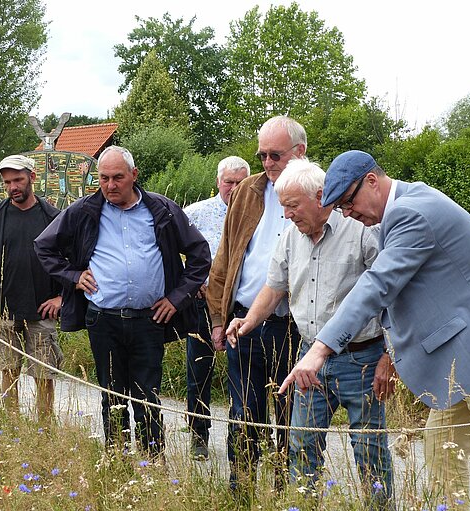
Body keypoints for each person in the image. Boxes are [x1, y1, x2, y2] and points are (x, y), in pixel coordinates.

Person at [280, 150, 470, 505]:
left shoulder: (411, 212)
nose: (347, 214)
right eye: (340, 207)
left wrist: (319, 349)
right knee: (441, 457)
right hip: (458, 351)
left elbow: (378, 285)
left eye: (347, 202)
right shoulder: (399, 208)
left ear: (371, 181)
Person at [226, 158, 393, 505]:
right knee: (301, 444)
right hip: (308, 362)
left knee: (369, 450)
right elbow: (274, 289)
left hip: (362, 360)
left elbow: (393, 294)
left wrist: (390, 356)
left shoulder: (363, 230)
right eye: (283, 206)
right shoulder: (289, 238)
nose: (286, 214)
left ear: (320, 197)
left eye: (291, 205)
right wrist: (249, 321)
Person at [34, 146, 210, 459]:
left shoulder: (162, 209)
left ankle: (153, 461)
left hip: (150, 319)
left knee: (147, 394)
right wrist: (73, 276)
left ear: (134, 176)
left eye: (118, 177)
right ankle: (116, 458)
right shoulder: (84, 210)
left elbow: (199, 254)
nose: (111, 185)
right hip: (104, 319)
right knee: (112, 394)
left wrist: (177, 298)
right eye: (104, 178)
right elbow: (44, 246)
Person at [206, 115, 305, 492]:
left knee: (293, 415)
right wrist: (218, 317)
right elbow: (225, 259)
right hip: (243, 322)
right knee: (244, 412)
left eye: (275, 155)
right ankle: (241, 488)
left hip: (294, 326)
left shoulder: (320, 191)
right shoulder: (247, 190)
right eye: (262, 155)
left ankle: (287, 491)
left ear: (300, 152)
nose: (267, 163)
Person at [0, 154, 63, 422]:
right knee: (7, 370)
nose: (13, 187)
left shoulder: (53, 216)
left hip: (42, 311)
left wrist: (61, 298)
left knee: (43, 375)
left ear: (32, 178)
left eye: (18, 180)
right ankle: (11, 426)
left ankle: (44, 429)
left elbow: (70, 263)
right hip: (4, 311)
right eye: (7, 182)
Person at [183, 156, 250, 460]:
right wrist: (189, 281)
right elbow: (168, 248)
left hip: (243, 307)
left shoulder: (256, 212)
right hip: (202, 303)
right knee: (198, 372)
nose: (234, 188)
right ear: (218, 182)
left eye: (240, 182)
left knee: (245, 376)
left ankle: (246, 437)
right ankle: (199, 435)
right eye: (229, 182)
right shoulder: (195, 213)